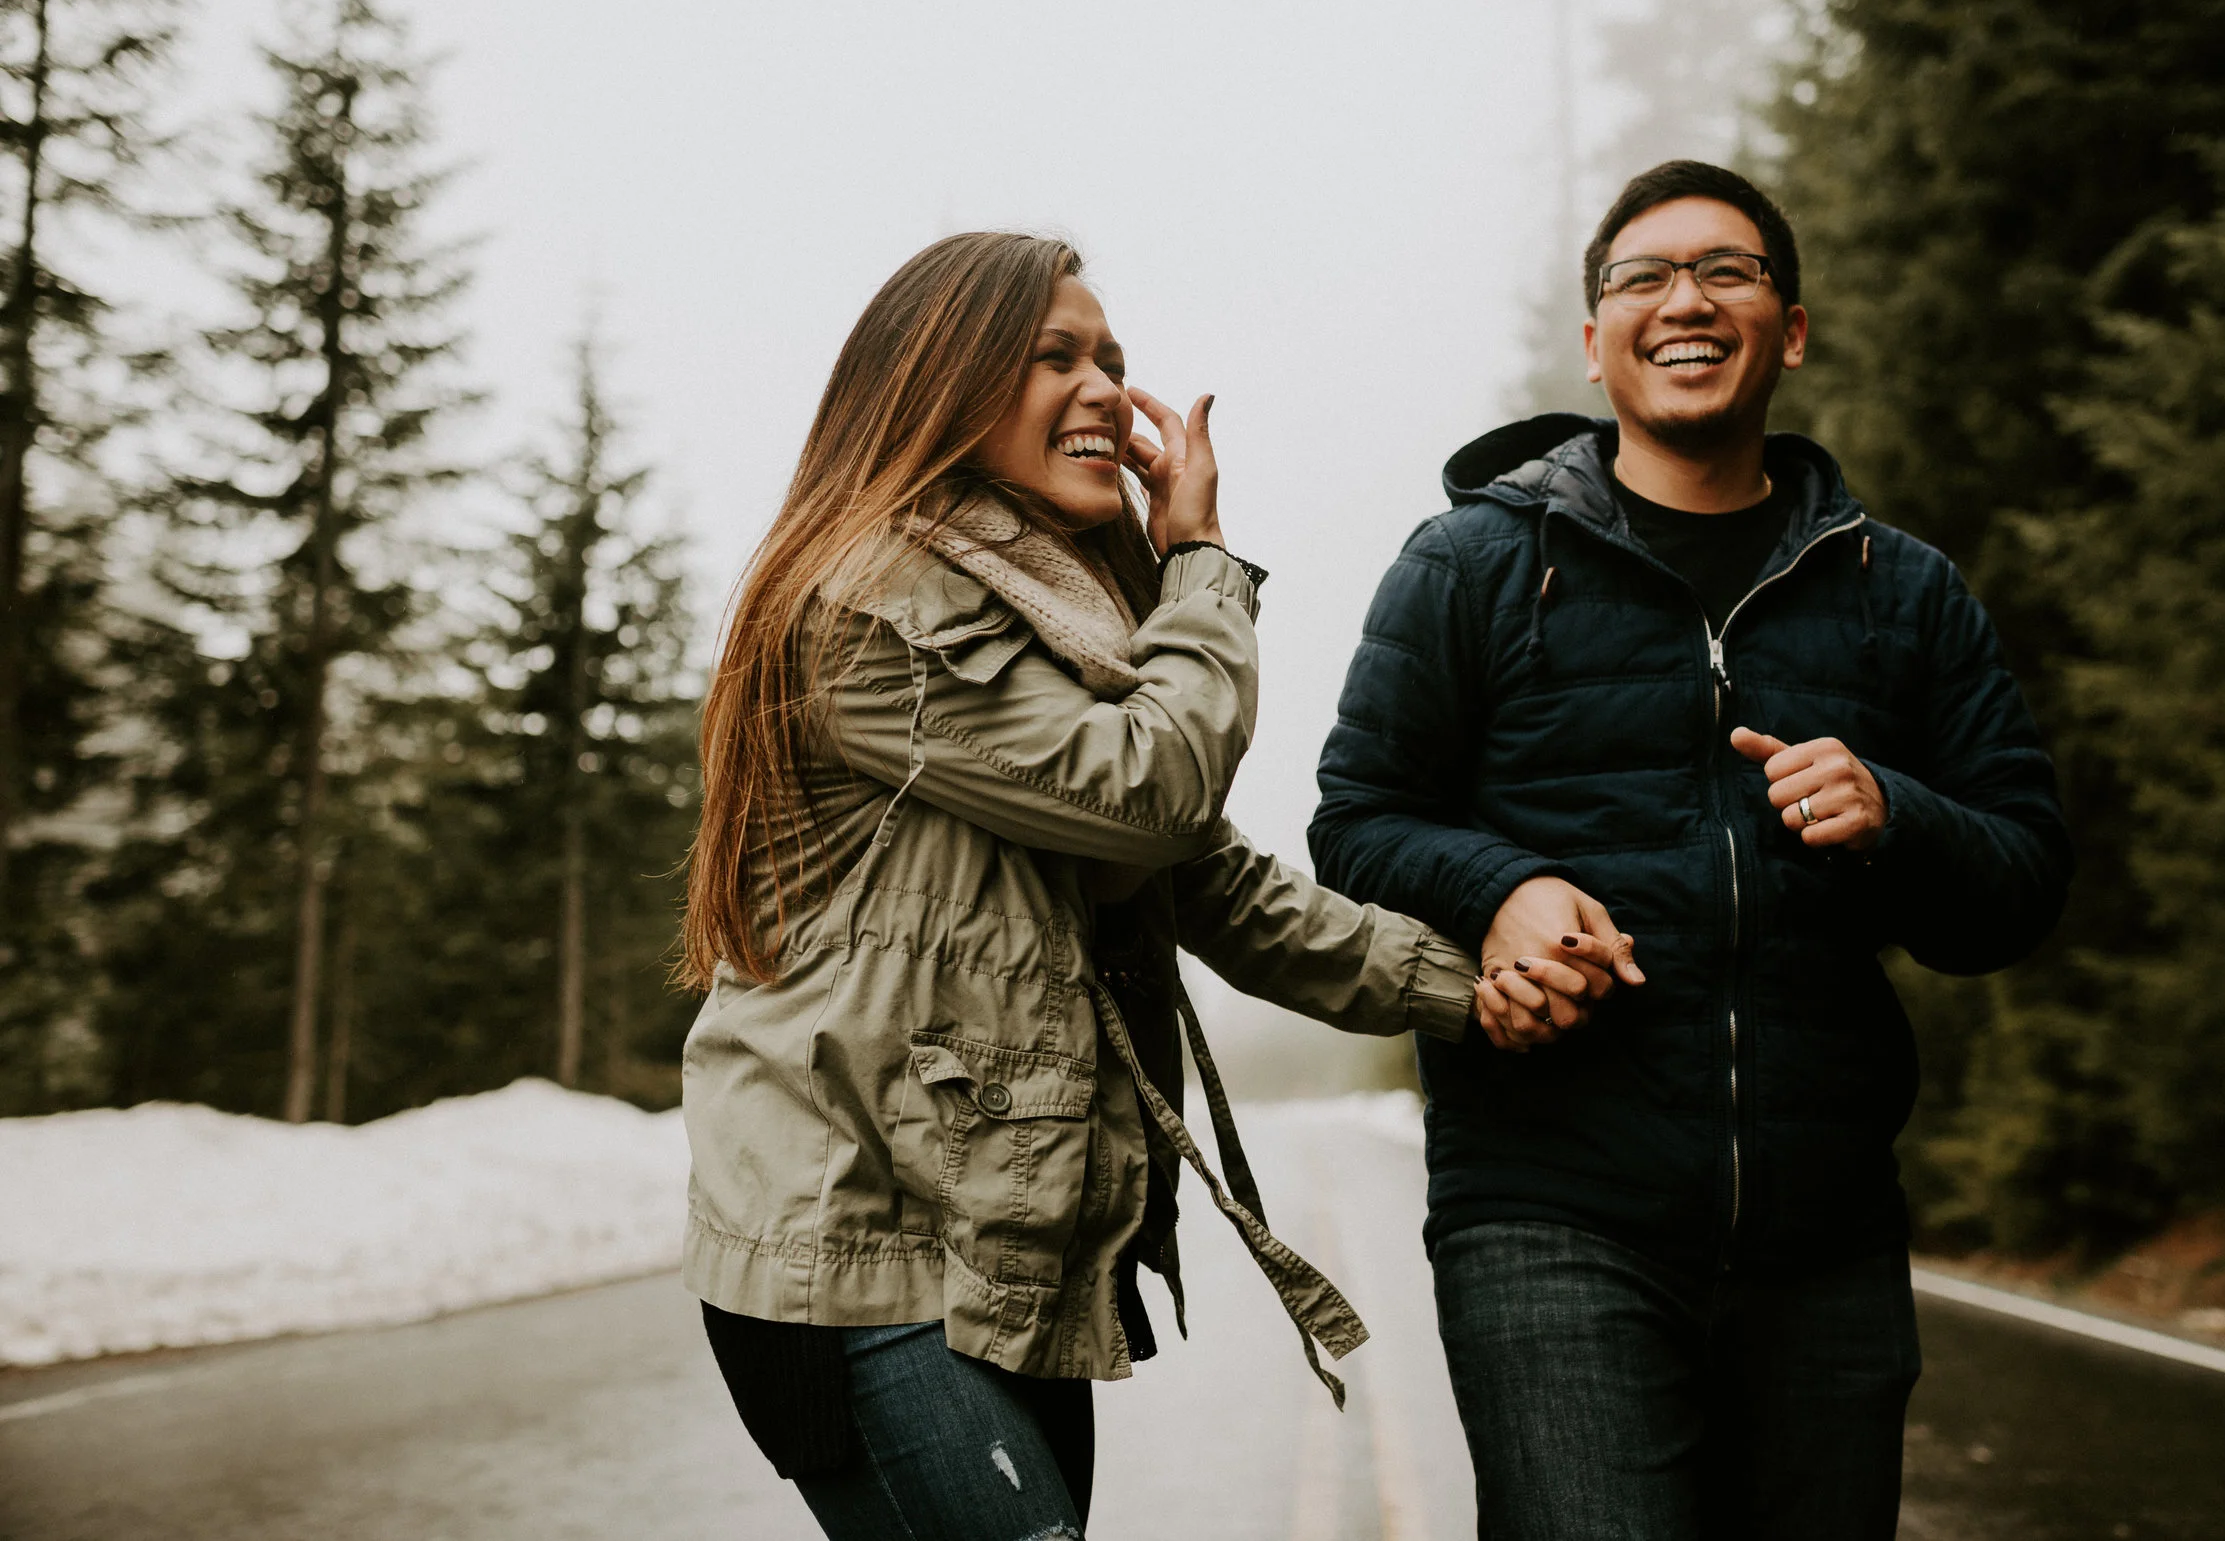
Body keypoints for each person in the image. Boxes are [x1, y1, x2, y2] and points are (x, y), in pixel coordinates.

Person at [673, 231, 1622, 1540]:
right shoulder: (872, 605)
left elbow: (1210, 880)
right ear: (939, 382)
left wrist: (1476, 990)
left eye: (1112, 359)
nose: (1105, 388)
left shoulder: (1045, 615)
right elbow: (1154, 790)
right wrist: (1202, 560)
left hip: (991, 1243)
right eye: (1051, 356)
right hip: (850, 1257)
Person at [1310, 161, 2074, 1538]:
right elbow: (1355, 822)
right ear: (1595, 342)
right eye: (1644, 277)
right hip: (1550, 1212)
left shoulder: (1898, 590)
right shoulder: (1471, 566)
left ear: (1790, 329)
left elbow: (2018, 884)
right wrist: (1506, 887)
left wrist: (1897, 817)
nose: (1688, 300)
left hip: (1827, 1237)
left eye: (1730, 270)